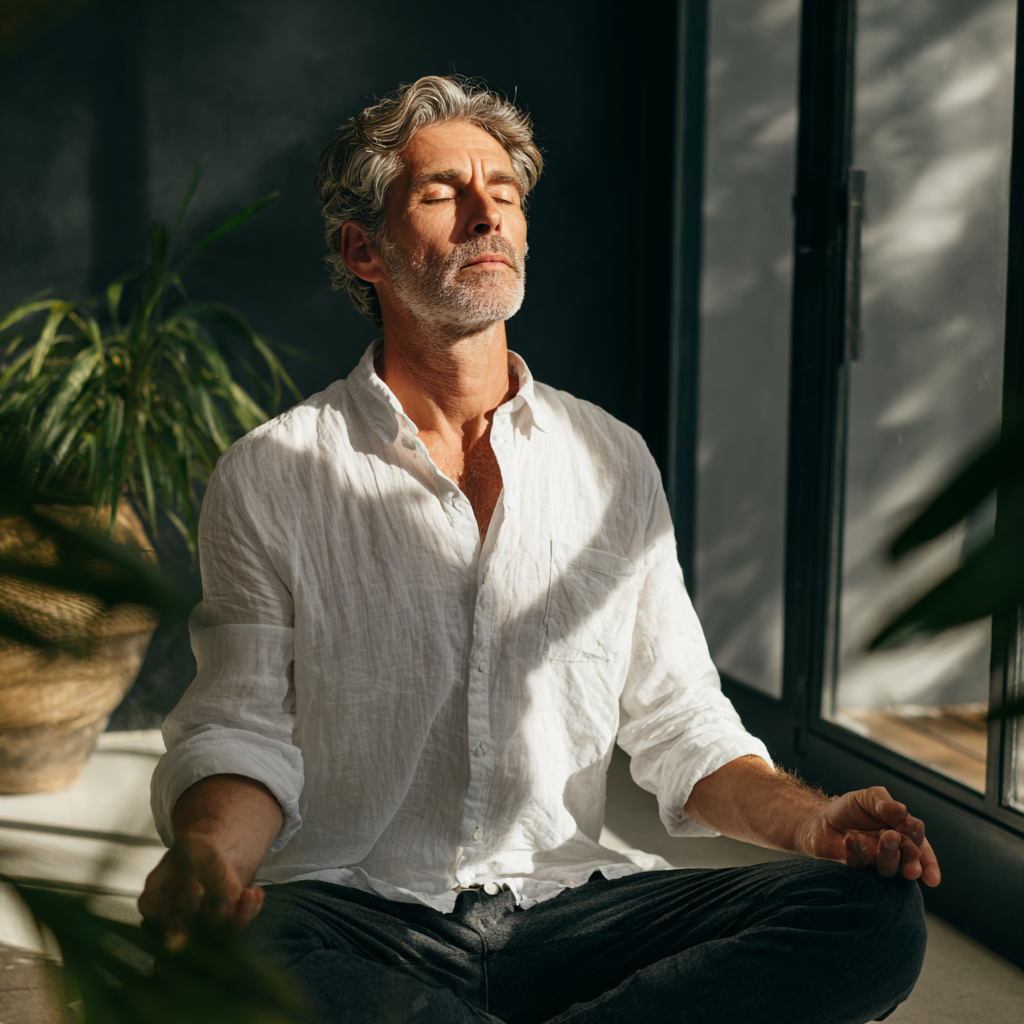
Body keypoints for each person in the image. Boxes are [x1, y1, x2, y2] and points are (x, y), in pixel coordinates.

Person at [140, 76, 935, 1024]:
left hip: (572, 912)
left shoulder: (610, 458)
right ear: (364, 251)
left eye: (505, 194)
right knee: (221, 961)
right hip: (359, 916)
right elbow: (242, 728)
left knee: (873, 915)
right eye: (442, 194)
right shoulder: (272, 472)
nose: (486, 215)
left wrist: (814, 823)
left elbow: (683, 723)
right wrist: (208, 858)